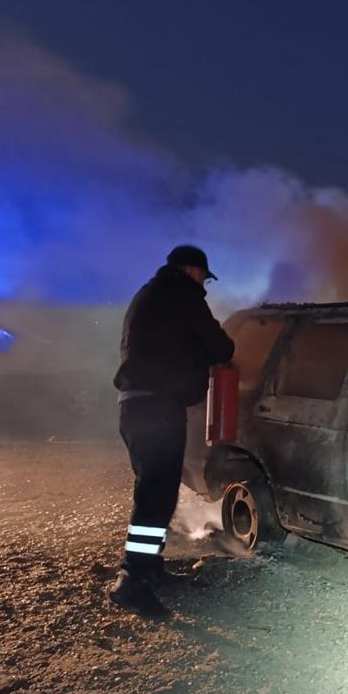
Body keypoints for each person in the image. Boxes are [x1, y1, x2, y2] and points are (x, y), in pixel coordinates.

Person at [108, 245, 235, 616]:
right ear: (193, 271)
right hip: (158, 408)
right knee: (156, 498)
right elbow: (221, 346)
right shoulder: (184, 295)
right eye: (204, 279)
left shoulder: (147, 294)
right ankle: (132, 582)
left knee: (151, 492)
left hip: (133, 407)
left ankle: (150, 569)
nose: (205, 287)